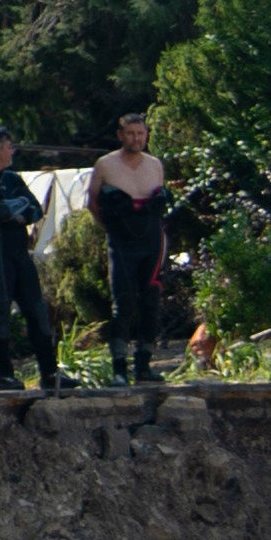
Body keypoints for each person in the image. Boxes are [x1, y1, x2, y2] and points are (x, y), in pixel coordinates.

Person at [0, 129, 70, 391]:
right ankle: (5, 375)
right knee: (0, 311)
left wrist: (17, 209)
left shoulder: (12, 178)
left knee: (37, 310)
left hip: (18, 252)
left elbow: (35, 209)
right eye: (8, 146)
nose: (12, 151)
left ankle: (49, 374)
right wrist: (17, 206)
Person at [87, 110, 173, 385]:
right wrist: (112, 230)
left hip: (151, 239)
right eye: (131, 133)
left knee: (151, 301)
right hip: (121, 240)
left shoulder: (155, 164)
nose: (136, 138)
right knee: (123, 304)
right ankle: (119, 369)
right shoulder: (105, 164)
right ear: (120, 135)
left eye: (141, 133)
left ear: (146, 135)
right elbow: (93, 203)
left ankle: (144, 366)